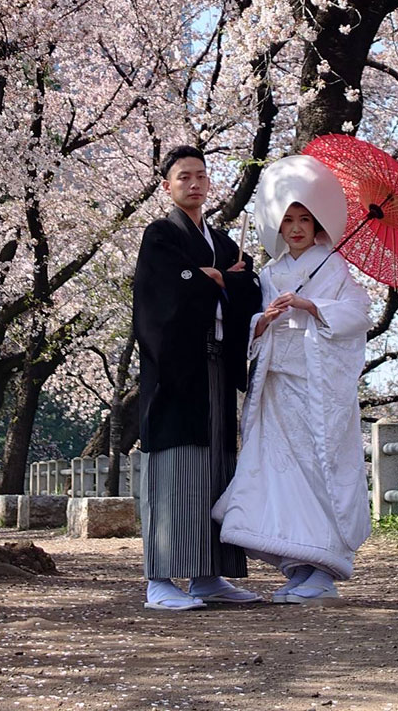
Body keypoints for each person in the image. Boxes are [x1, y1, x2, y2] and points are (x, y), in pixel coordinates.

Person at [213, 157, 372, 604]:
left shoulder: (335, 269)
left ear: (317, 223)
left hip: (317, 390)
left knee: (317, 472)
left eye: (304, 219)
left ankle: (323, 570)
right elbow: (249, 326)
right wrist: (263, 322)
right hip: (278, 387)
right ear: (278, 227)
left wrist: (312, 307)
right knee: (276, 476)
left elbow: (359, 314)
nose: (297, 228)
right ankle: (299, 566)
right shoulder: (269, 273)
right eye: (288, 220)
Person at [133, 145, 263, 611]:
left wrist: (218, 278)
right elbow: (162, 293)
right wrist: (210, 280)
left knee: (215, 470)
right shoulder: (161, 235)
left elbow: (248, 286)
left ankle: (208, 576)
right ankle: (161, 579)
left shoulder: (225, 242)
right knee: (175, 468)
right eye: (183, 176)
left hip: (215, 366)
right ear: (167, 186)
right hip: (175, 372)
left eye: (201, 176)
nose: (194, 183)